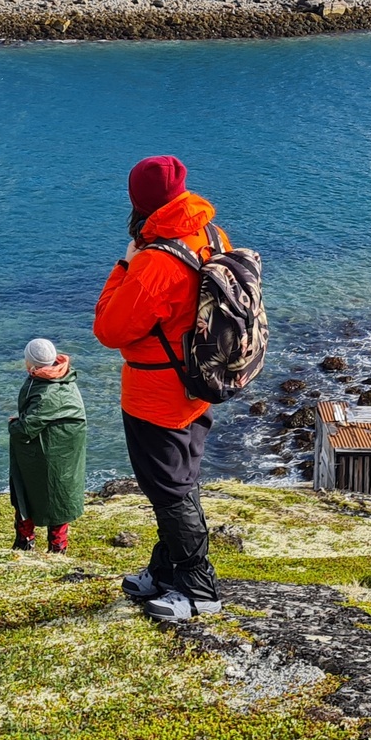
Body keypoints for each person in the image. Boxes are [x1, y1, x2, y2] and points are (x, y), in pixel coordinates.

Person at [93, 154, 226, 622]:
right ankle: (167, 570)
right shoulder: (209, 233)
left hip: (158, 395)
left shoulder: (154, 262)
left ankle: (198, 588)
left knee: (170, 491)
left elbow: (109, 330)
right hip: (199, 380)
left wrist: (123, 267)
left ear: (140, 203)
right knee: (177, 483)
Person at [7, 337, 88, 553]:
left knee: (27, 491)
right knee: (60, 493)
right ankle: (58, 546)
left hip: (48, 449)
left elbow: (27, 428)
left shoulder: (45, 390)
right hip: (67, 449)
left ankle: (26, 543)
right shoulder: (64, 378)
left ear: (32, 363)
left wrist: (14, 426)